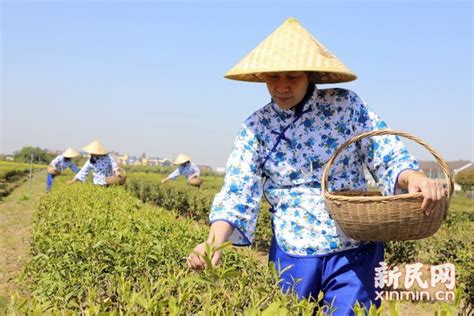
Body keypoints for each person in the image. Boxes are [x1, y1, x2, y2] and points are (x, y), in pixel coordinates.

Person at [187, 18, 447, 315]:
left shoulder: (345, 106)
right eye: (274, 77)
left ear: (310, 75)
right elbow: (237, 191)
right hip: (294, 248)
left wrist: (412, 176)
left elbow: (384, 152)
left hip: (354, 244)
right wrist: (212, 244)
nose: (281, 87)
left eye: (292, 77)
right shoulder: (256, 127)